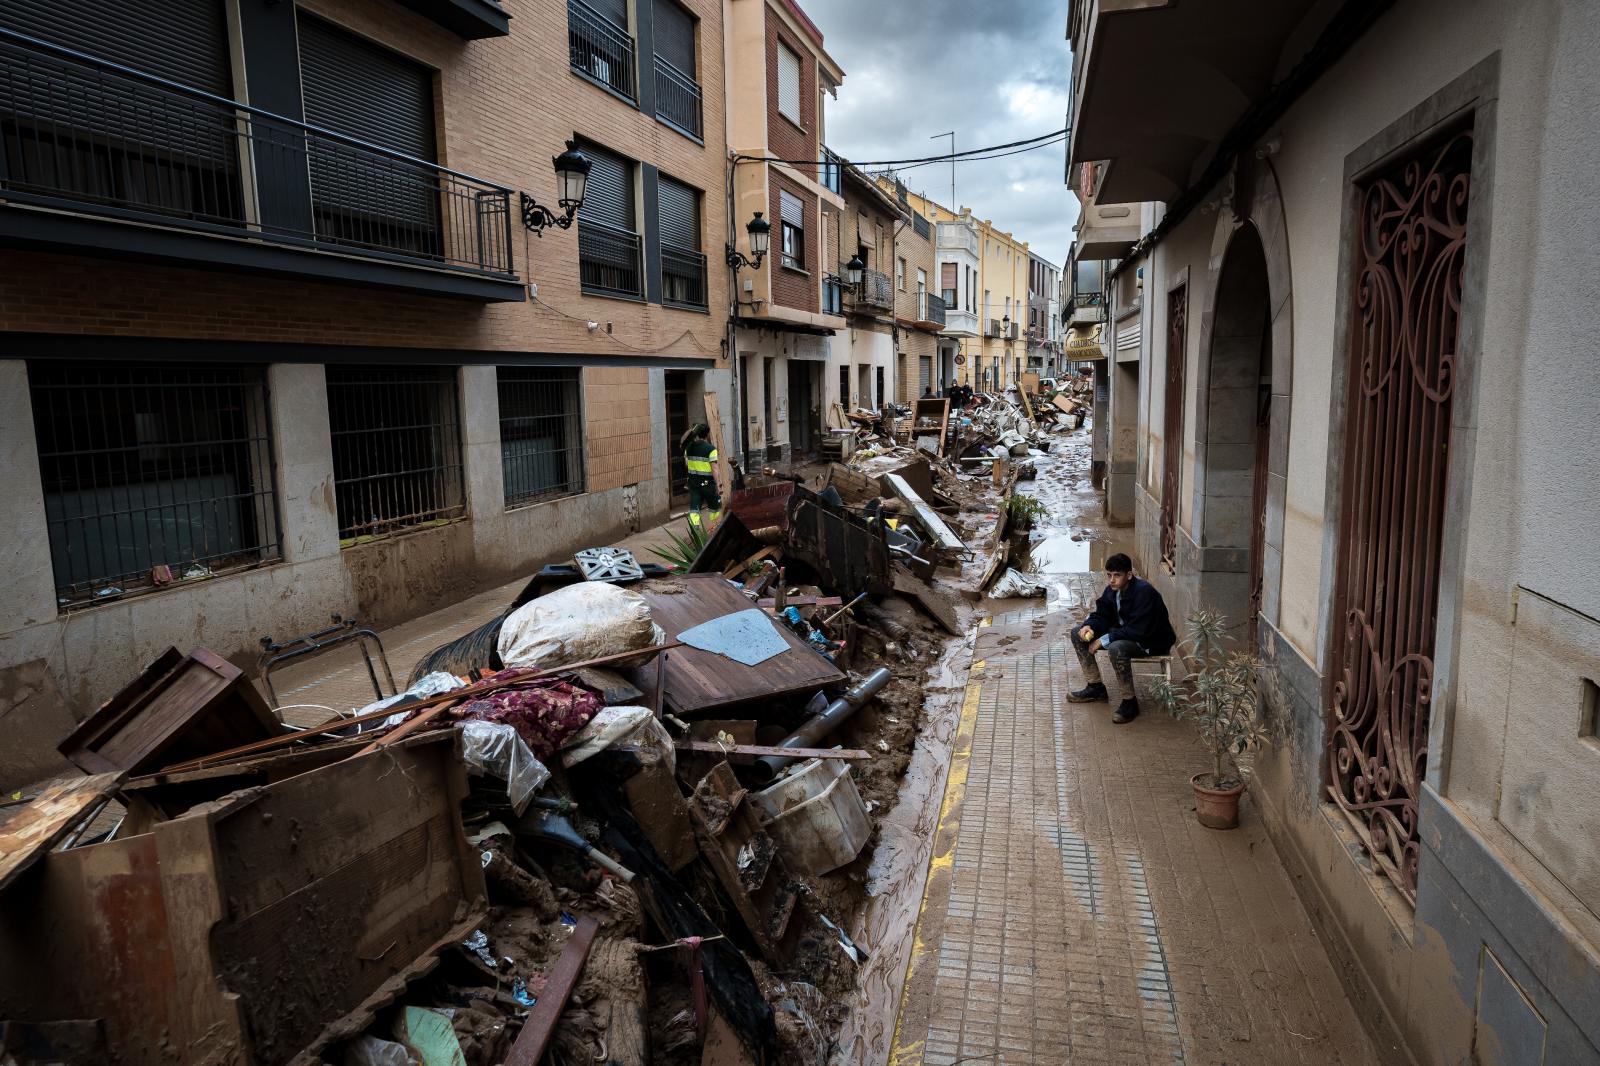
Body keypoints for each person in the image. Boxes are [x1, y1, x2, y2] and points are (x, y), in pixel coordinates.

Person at [1069, 553, 1176, 723]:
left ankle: (1129, 702)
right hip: (1127, 634)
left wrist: (1103, 640)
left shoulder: (1144, 592)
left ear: (1129, 575)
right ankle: (1095, 687)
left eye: (1117, 575)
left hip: (1150, 641)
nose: (1112, 580)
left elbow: (1138, 630)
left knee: (1116, 647)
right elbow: (1102, 615)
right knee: (1077, 633)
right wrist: (1089, 626)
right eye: (1109, 575)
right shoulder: (1112, 591)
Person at [681, 423, 722, 531]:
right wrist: (718, 485)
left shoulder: (688, 447)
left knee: (695, 507)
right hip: (708, 484)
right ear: (707, 434)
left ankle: (694, 531)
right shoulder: (711, 449)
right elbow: (714, 469)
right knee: (714, 507)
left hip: (694, 483)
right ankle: (713, 529)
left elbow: (686, 463)